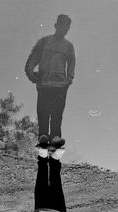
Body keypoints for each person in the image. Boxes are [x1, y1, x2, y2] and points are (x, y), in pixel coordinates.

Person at [25, 14, 76, 147]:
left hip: (60, 85)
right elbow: (34, 58)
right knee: (43, 110)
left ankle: (55, 137)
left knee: (57, 112)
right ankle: (43, 135)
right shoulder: (44, 41)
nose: (65, 29)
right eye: (62, 25)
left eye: (67, 27)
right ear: (56, 25)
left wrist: (68, 80)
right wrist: (30, 71)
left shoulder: (68, 46)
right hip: (44, 83)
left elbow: (71, 64)